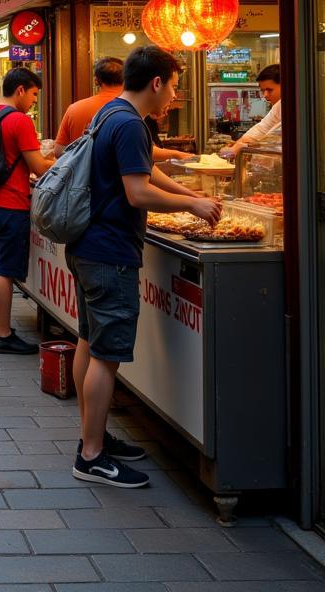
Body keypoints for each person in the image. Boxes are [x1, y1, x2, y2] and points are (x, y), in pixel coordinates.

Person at [68, 45, 221, 489]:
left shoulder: (111, 113)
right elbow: (138, 192)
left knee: (88, 340)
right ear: (156, 82)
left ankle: (91, 435)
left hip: (87, 246)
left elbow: (149, 175)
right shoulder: (131, 124)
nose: (174, 95)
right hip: (109, 252)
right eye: (173, 85)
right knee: (106, 354)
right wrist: (191, 202)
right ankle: (91, 455)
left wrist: (189, 193)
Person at [0, 68, 54, 355]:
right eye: (34, 94)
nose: (34, 100)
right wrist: (60, 162)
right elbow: (37, 167)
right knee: (5, 272)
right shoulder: (19, 120)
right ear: (20, 90)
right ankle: (4, 334)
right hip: (11, 204)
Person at [53, 57, 123, 156]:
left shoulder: (75, 109)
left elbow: (58, 151)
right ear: (125, 79)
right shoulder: (133, 109)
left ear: (96, 81)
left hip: (81, 171)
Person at [221, 63, 282, 157]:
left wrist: (243, 147)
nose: (265, 95)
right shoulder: (278, 106)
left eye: (269, 90)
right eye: (263, 90)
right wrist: (238, 144)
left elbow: (275, 143)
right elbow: (261, 128)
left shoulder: (296, 106)